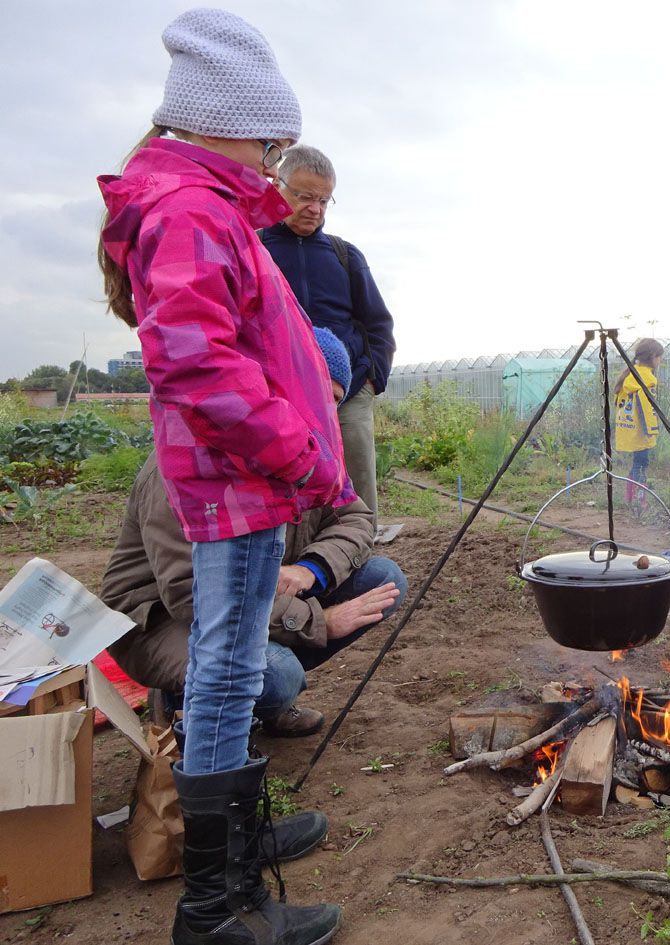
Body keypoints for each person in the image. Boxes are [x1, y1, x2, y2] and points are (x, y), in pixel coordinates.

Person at [97, 10, 346, 943]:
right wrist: (296, 447)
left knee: (232, 668)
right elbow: (197, 364)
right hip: (236, 479)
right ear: (222, 120)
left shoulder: (202, 204)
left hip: (238, 478)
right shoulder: (190, 211)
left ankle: (235, 843)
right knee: (226, 666)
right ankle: (216, 906)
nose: (274, 159)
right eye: (269, 139)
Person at [103, 328, 405, 741]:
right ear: (276, 384)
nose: (321, 411)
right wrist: (319, 621)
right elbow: (194, 594)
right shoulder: (192, 457)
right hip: (161, 620)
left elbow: (356, 519)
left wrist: (310, 570)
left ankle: (261, 699)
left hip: (257, 598)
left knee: (384, 579)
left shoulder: (311, 452)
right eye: (313, 392)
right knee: (278, 674)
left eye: (333, 401)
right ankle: (181, 700)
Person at [260, 145, 396, 534]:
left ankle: (361, 547)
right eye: (304, 196)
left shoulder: (344, 255)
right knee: (282, 479)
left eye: (323, 199)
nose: (314, 208)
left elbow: (378, 325)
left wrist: (369, 381)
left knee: (356, 477)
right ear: (278, 186)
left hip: (347, 393)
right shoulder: (255, 247)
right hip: (277, 396)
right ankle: (292, 554)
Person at [612, 338, 665, 504]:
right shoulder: (647, 379)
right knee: (641, 464)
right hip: (640, 432)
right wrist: (652, 431)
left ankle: (629, 498)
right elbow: (647, 410)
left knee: (637, 463)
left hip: (629, 429)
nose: (660, 360)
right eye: (659, 357)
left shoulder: (631, 374)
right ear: (653, 356)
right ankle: (639, 501)